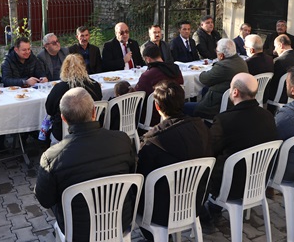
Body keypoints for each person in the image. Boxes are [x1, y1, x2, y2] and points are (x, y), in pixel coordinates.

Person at [35, 88, 136, 241]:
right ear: (94, 111)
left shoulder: (52, 156)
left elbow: (45, 200)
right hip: (120, 221)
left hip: (78, 231)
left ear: (63, 119)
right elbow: (133, 174)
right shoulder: (122, 140)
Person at [136, 81, 211, 238]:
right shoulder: (201, 127)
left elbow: (142, 179)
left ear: (157, 107)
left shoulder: (151, 142)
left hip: (161, 212)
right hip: (195, 201)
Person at [207, 73, 278, 216]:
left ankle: (208, 211)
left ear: (235, 92)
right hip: (258, 181)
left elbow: (208, 151)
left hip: (231, 186)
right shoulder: (268, 116)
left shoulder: (224, 121)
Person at [45, 54, 102, 142]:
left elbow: (49, 110)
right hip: (92, 129)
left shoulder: (59, 88)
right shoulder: (95, 85)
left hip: (63, 133)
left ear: (64, 69)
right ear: (83, 67)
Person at [185, 39, 248, 119]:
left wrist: (202, 71)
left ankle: (195, 125)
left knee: (185, 106)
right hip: (233, 100)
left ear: (221, 55)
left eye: (217, 51)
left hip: (220, 105)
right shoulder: (241, 61)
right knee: (205, 89)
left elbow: (204, 79)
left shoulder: (223, 66)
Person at [134, 45, 184, 126]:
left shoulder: (148, 75)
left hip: (154, 118)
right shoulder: (175, 69)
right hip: (177, 112)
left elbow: (137, 96)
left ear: (148, 59)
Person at [267, 35, 294, 114]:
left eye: (275, 46)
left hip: (279, 96)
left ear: (281, 45)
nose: (274, 50)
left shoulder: (279, 61)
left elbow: (273, 80)